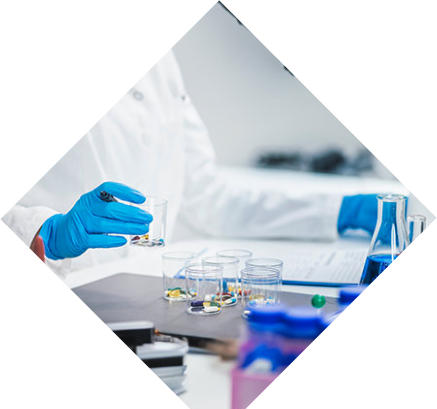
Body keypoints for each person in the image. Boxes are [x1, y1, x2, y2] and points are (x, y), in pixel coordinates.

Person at [1, 49, 378, 278]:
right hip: (70, 277)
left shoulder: (164, 64)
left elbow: (208, 197)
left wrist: (337, 209)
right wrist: (43, 231)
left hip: (149, 286)